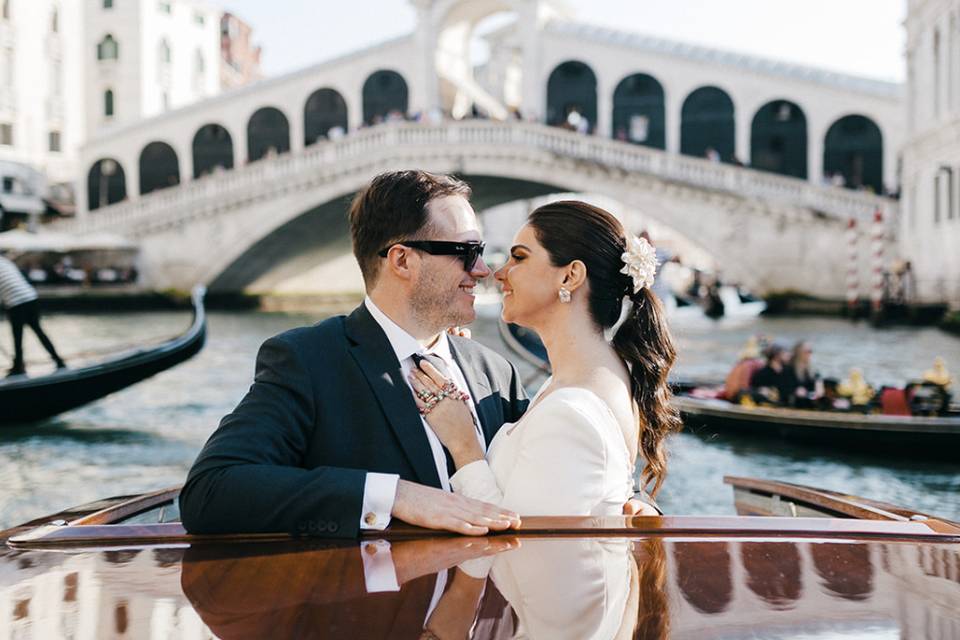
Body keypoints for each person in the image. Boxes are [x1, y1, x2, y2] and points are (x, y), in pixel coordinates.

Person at [179, 171, 656, 539]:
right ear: (403, 260)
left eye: (484, 252)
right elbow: (211, 491)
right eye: (466, 252)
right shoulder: (307, 360)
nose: (485, 270)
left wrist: (629, 501)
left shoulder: (494, 372)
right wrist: (392, 496)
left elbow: (562, 465)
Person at [406, 201, 682, 515]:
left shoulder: (572, 408)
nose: (498, 273)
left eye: (519, 257)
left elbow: (517, 545)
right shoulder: (590, 375)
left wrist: (464, 446)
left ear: (570, 276)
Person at [0, 253, 66, 377]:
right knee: (38, 331)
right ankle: (58, 361)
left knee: (17, 336)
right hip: (30, 297)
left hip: (16, 302)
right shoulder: (4, 261)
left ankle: (18, 367)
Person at [785, 340, 823, 408]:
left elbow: (818, 382)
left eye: (810, 351)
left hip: (811, 401)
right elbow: (785, 387)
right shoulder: (789, 368)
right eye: (807, 352)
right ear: (799, 353)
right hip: (796, 403)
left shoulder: (813, 369)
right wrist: (795, 391)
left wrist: (819, 388)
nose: (809, 354)